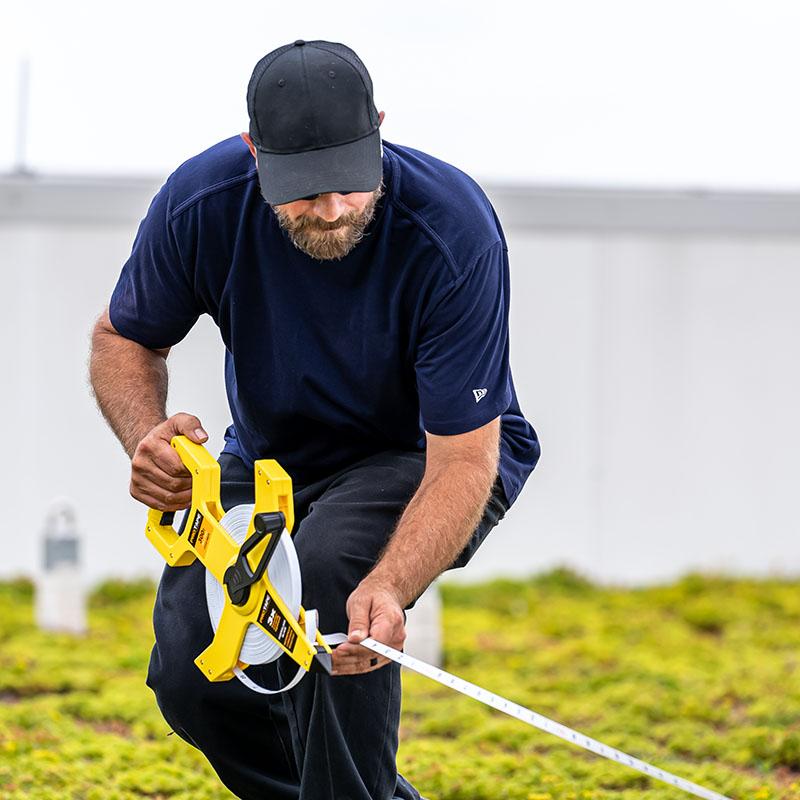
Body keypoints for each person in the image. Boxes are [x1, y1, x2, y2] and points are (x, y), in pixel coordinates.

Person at [89, 39, 540, 800]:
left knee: (332, 578)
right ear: (253, 152)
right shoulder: (202, 203)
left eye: (349, 181)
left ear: (379, 131)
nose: (331, 210)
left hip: (427, 454)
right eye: (303, 189)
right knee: (194, 676)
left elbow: (465, 461)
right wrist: (146, 435)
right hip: (272, 460)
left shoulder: (452, 231)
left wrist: (391, 584)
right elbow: (123, 337)